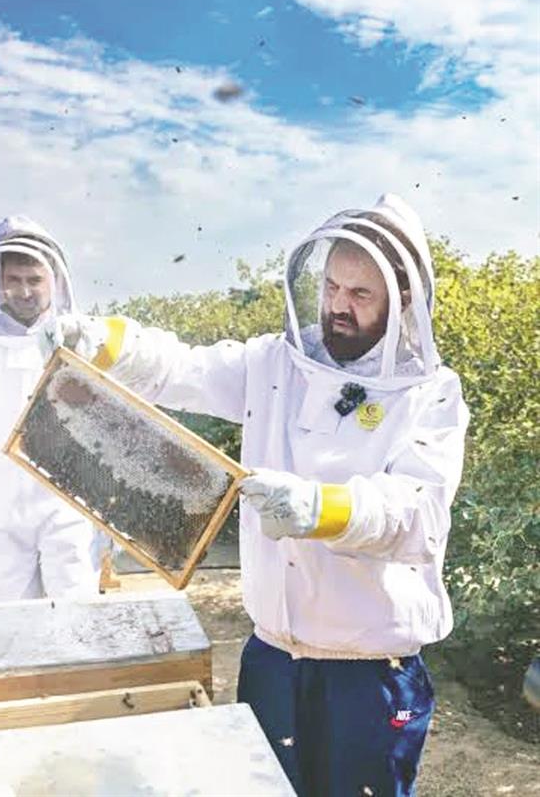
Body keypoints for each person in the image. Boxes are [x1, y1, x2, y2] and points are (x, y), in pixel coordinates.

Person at [49, 193, 469, 797]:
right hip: (271, 658)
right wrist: (108, 342)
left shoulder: (431, 394)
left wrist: (320, 510)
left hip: (370, 672)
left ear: (402, 299)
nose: (338, 306)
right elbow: (180, 369)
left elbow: (416, 514)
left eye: (360, 294)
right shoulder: (275, 363)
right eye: (331, 287)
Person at [0, 217, 102, 601]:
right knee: (12, 625)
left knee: (76, 621)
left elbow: (110, 431)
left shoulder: (81, 340)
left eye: (34, 280)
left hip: (69, 504)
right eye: (14, 280)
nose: (24, 291)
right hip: (0, 508)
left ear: (53, 280)